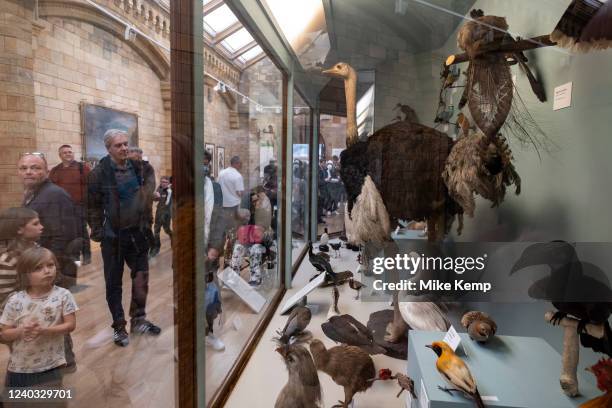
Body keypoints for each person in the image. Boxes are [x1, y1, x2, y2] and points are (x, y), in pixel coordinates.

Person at [88, 129, 161, 347]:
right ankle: (119, 326)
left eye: (125, 144)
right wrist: (98, 231)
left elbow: (149, 187)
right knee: (113, 283)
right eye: (118, 145)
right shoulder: (99, 173)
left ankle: (138, 319)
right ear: (108, 148)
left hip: (137, 234)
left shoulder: (140, 168)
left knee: (141, 278)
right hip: (113, 237)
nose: (124, 148)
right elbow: (92, 206)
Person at [0, 247, 77, 404]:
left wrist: (44, 330)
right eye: (38, 268)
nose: (47, 271)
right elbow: (5, 334)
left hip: (52, 366)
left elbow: (70, 325)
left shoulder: (63, 295)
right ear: (25, 274)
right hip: (19, 367)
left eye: (50, 265)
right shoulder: (15, 300)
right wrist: (22, 330)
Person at [18, 153, 79, 288]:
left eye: (35, 168)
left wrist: (49, 269)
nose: (28, 172)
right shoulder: (33, 192)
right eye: (23, 168)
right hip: (38, 267)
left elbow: (64, 237)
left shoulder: (55, 195)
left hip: (50, 271)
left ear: (47, 171)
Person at [49, 144, 92, 264]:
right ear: (60, 155)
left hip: (79, 206)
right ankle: (75, 256)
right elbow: (51, 188)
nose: (68, 154)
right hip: (62, 208)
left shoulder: (82, 168)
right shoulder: (55, 171)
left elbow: (90, 186)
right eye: (65, 152)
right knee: (69, 232)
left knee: (81, 231)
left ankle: (87, 255)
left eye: (70, 152)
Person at [203, 151, 225, 351]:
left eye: (206, 163)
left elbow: (219, 220)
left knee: (210, 294)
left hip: (209, 247)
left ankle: (208, 332)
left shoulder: (215, 188)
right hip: (189, 250)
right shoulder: (184, 188)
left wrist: (215, 246)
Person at [0, 207, 43, 309]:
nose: (42, 227)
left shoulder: (36, 248)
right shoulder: (7, 261)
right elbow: (4, 297)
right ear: (19, 229)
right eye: (35, 224)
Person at [128, 147, 156, 256]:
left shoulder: (147, 168)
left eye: (131, 152)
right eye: (131, 152)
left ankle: (152, 246)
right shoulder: (126, 167)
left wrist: (138, 194)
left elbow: (150, 185)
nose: (129, 154)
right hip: (130, 206)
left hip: (144, 204)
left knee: (146, 228)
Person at [217, 155, 244, 233]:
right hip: (233, 205)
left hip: (222, 204)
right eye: (240, 163)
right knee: (233, 228)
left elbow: (218, 186)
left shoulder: (221, 173)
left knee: (223, 227)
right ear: (236, 163)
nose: (241, 165)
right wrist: (243, 193)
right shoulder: (238, 176)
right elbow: (240, 193)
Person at [150, 176, 173, 257]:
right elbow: (155, 199)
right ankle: (156, 247)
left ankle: (172, 236)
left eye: (165, 182)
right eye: (162, 182)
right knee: (156, 230)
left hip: (167, 214)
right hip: (159, 212)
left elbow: (169, 203)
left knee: (166, 229)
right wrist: (155, 196)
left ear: (168, 183)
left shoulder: (170, 191)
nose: (163, 184)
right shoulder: (159, 188)